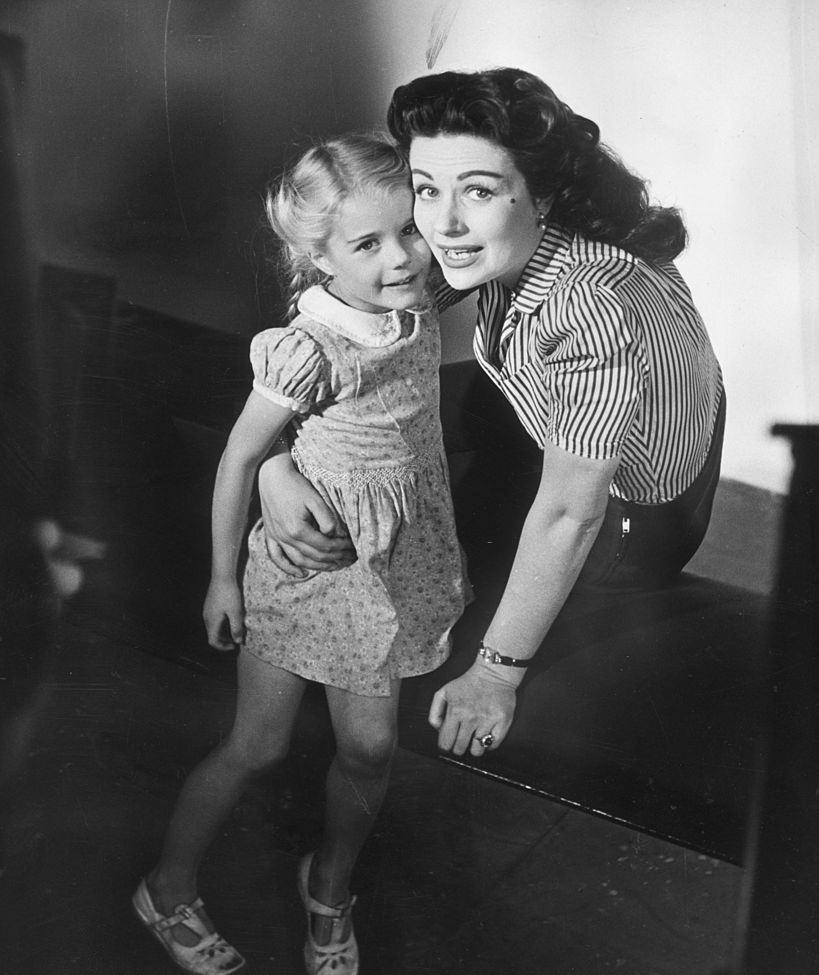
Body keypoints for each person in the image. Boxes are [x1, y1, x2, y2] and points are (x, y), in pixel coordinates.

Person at [258, 68, 725, 763]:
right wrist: (277, 463)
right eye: (425, 189)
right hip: (582, 408)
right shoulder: (506, 231)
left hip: (636, 516)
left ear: (540, 193)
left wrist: (494, 673)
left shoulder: (590, 306)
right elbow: (344, 315)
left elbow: (571, 516)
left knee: (399, 569)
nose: (440, 225)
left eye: (476, 189)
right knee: (362, 433)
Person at [131, 132, 468, 975]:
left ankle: (329, 885)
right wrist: (218, 578)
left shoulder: (419, 301)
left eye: (410, 229)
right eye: (366, 243)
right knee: (257, 746)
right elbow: (239, 458)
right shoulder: (309, 344)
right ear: (314, 254)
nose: (401, 256)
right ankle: (165, 888)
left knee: (370, 751)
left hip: (397, 566)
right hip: (312, 577)